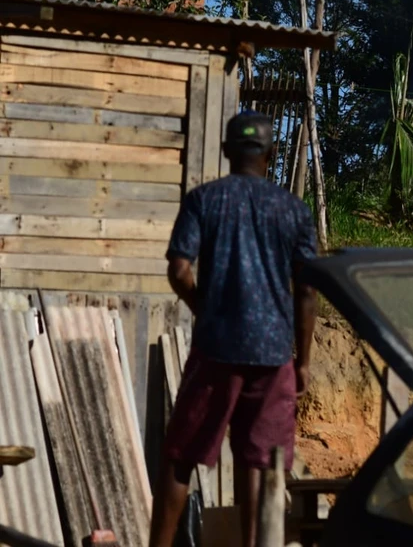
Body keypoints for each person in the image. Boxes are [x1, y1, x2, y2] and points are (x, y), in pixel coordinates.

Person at [149, 111, 319, 547]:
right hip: (273, 352)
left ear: (226, 151)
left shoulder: (205, 199)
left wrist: (204, 309)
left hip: (216, 347)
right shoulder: (294, 211)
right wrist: (303, 360)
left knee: (181, 456)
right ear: (272, 154)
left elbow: (180, 269)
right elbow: (306, 290)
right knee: (259, 461)